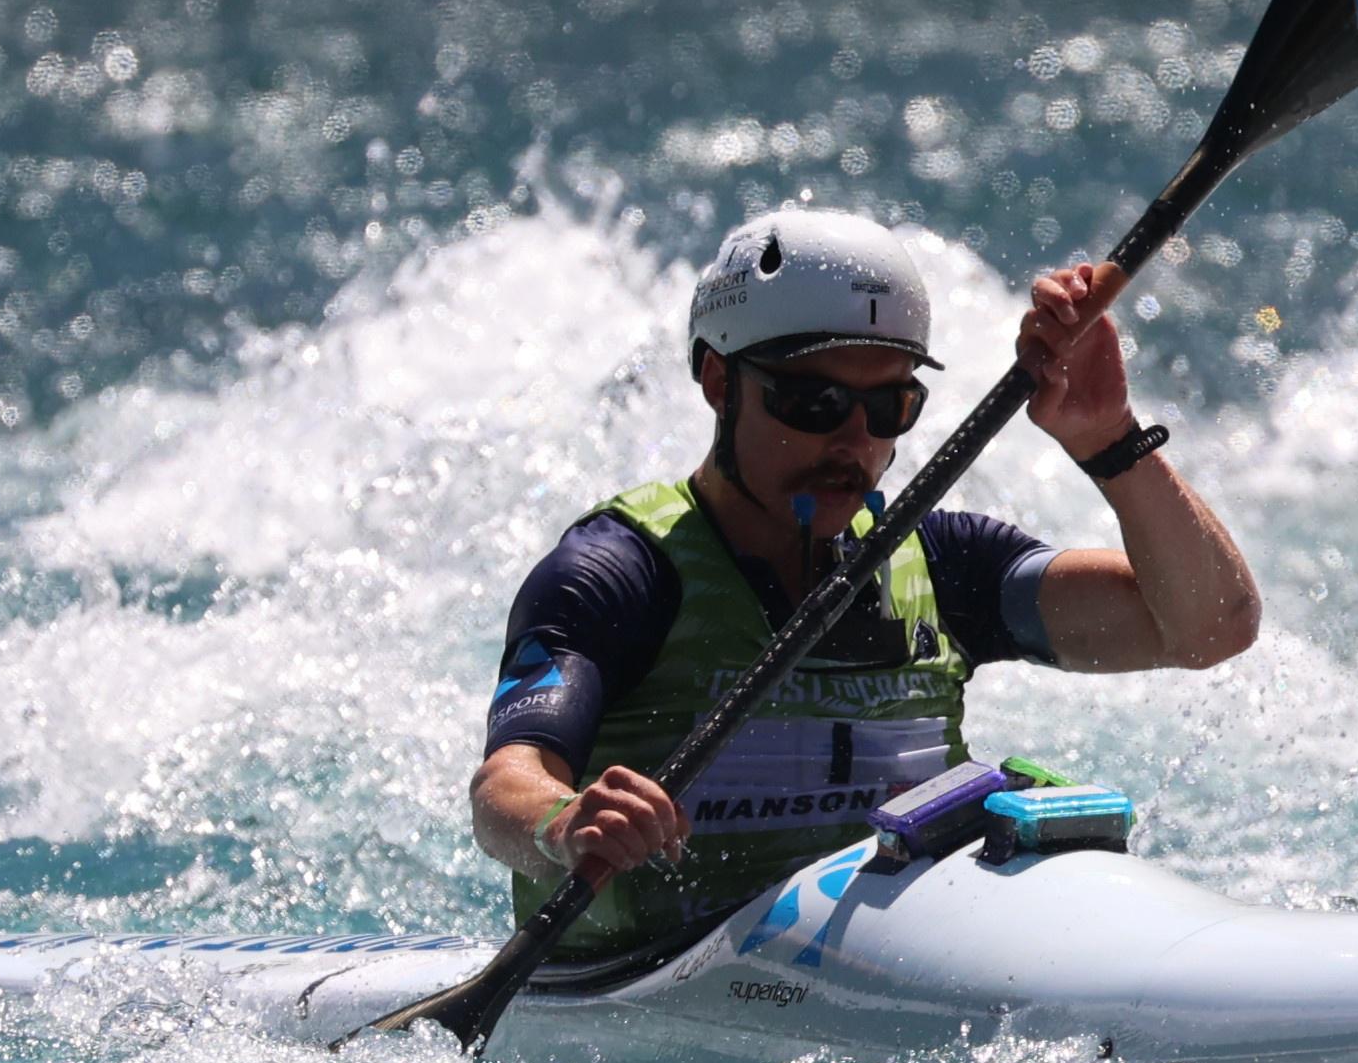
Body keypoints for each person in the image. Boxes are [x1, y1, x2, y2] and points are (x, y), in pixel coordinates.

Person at [471, 207, 1262, 963]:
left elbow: (1210, 626)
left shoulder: (948, 566)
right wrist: (563, 823)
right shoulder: (618, 573)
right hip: (650, 978)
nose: (854, 442)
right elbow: (504, 788)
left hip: (888, 972)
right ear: (718, 380)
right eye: (812, 402)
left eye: (889, 406)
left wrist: (1106, 437)